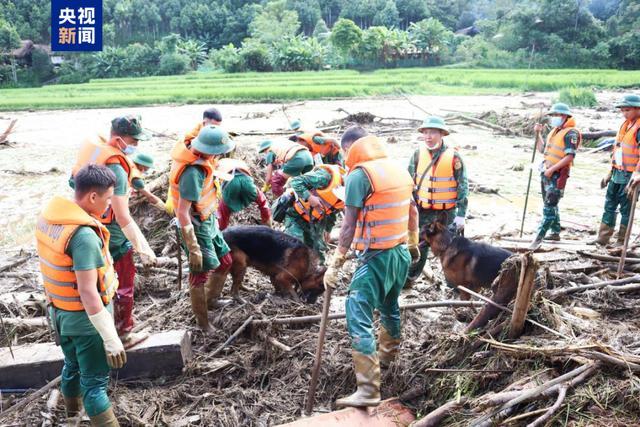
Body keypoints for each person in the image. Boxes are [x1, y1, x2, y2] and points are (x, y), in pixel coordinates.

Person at [323, 126, 420, 408]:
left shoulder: (359, 175)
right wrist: (412, 243)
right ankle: (386, 362)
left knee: (357, 313)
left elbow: (349, 225)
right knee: (390, 306)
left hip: (375, 258)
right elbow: (413, 211)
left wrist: (336, 262)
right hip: (399, 253)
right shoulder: (397, 168)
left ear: (348, 149)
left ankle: (368, 389)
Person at [36, 164, 126, 426]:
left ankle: (72, 416)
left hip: (60, 314)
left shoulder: (51, 217)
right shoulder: (84, 236)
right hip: (86, 322)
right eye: (108, 198)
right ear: (93, 197)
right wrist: (110, 337)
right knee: (95, 385)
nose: (110, 206)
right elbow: (88, 291)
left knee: (72, 366)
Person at [70, 115, 156, 348]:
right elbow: (122, 214)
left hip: (88, 219)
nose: (136, 146)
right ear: (119, 140)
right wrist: (142, 247)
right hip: (111, 230)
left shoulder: (95, 152)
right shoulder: (116, 167)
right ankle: (124, 332)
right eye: (134, 141)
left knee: (100, 278)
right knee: (123, 276)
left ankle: (115, 321)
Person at [169, 125, 235, 332]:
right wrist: (193, 247)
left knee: (226, 261)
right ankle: (203, 322)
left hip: (208, 220)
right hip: (195, 226)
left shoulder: (203, 157)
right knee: (199, 273)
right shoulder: (193, 172)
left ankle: (212, 299)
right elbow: (182, 211)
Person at [406, 116, 468, 285]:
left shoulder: (455, 157)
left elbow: (462, 186)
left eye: (432, 132)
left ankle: (454, 284)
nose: (428, 136)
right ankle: (409, 279)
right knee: (418, 246)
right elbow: (408, 182)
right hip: (423, 210)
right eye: (425, 132)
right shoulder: (417, 155)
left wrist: (461, 215)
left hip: (445, 213)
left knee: (450, 250)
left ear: (442, 134)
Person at [529, 103, 581, 249]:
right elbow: (541, 149)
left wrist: (552, 170)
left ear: (564, 116)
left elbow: (570, 156)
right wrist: (537, 134)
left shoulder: (571, 133)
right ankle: (555, 231)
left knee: (549, 206)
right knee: (550, 203)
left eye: (555, 116)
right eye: (552, 116)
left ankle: (538, 238)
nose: (553, 119)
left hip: (557, 175)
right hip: (546, 171)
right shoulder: (555, 131)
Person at [595, 94, 640, 246]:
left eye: (627, 110)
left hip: (630, 175)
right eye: (622, 110)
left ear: (637, 109)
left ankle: (622, 241)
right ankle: (602, 238)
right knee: (609, 205)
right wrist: (610, 172)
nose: (624, 113)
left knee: (626, 208)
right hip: (617, 172)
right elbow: (618, 151)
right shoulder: (625, 125)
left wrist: (638, 173)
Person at [283, 164, 345, 262]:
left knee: (318, 257)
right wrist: (309, 197)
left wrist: (328, 229)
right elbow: (296, 181)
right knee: (294, 246)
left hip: (315, 223)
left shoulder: (350, 196)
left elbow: (333, 211)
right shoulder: (325, 177)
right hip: (295, 215)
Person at [215, 157, 272, 230]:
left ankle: (222, 232)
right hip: (246, 181)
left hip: (230, 184)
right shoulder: (239, 162)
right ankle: (268, 225)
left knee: (223, 211)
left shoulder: (219, 163)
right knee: (263, 202)